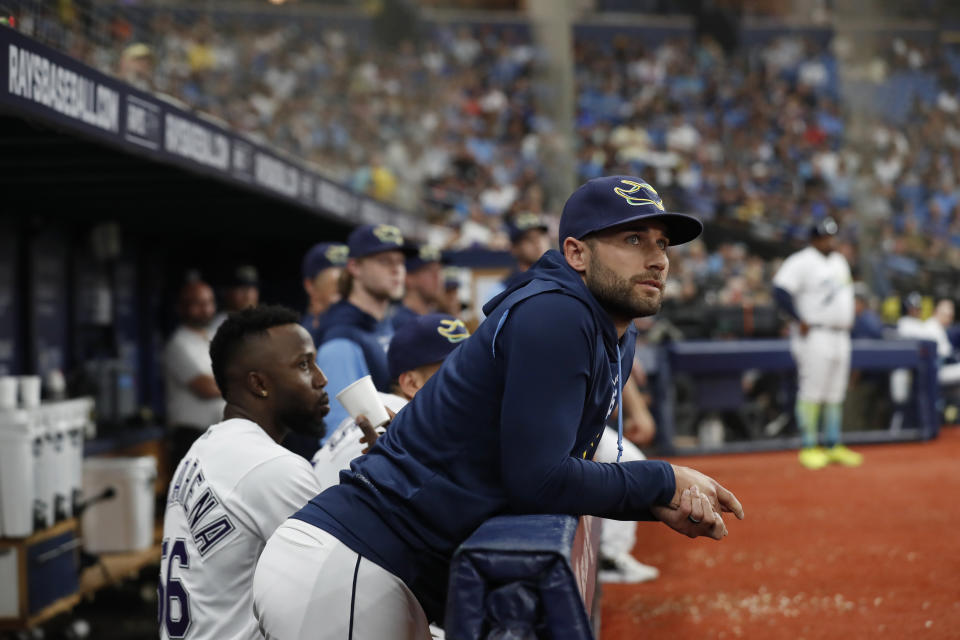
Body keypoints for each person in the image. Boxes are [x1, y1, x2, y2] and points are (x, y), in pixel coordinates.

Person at [253, 176, 744, 640]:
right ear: (576, 252)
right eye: (633, 240)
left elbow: (556, 469)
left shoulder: (611, 326)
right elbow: (539, 481)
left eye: (662, 243)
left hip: (382, 566)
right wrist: (665, 480)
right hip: (350, 561)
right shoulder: (557, 314)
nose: (657, 258)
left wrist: (653, 501)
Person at [158, 306, 326, 640]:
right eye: (304, 364)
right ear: (259, 384)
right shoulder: (272, 467)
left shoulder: (202, 451)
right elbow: (349, 584)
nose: (321, 378)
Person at [312, 312, 470, 488]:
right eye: (453, 368)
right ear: (411, 383)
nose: (468, 376)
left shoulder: (386, 408)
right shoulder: (405, 423)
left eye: (471, 363)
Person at [772, 217, 863, 470]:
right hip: (814, 333)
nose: (830, 241)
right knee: (812, 390)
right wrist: (797, 318)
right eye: (825, 237)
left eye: (832, 236)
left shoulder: (839, 261)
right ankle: (809, 445)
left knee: (835, 392)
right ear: (813, 239)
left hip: (840, 334)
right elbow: (780, 291)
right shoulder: (801, 260)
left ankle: (833, 444)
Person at [314, 224, 415, 439]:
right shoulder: (341, 335)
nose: (396, 269)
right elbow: (340, 437)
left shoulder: (386, 323)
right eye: (384, 261)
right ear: (355, 267)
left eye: (400, 261)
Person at [164, 279, 225, 471]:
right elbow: (205, 387)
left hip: (217, 434)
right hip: (189, 437)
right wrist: (239, 380)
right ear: (182, 307)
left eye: (208, 302)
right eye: (198, 303)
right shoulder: (178, 344)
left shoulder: (213, 338)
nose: (205, 309)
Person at [301, 242, 348, 342]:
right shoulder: (300, 338)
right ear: (310, 285)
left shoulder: (361, 328)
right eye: (338, 287)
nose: (346, 294)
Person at [391, 245, 444, 329]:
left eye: (439, 270)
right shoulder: (400, 323)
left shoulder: (439, 318)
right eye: (429, 270)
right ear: (408, 278)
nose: (437, 277)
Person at [209, 265, 260, 333]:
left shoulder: (266, 320)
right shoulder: (219, 324)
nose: (248, 295)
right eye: (241, 289)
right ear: (227, 292)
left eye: (252, 288)